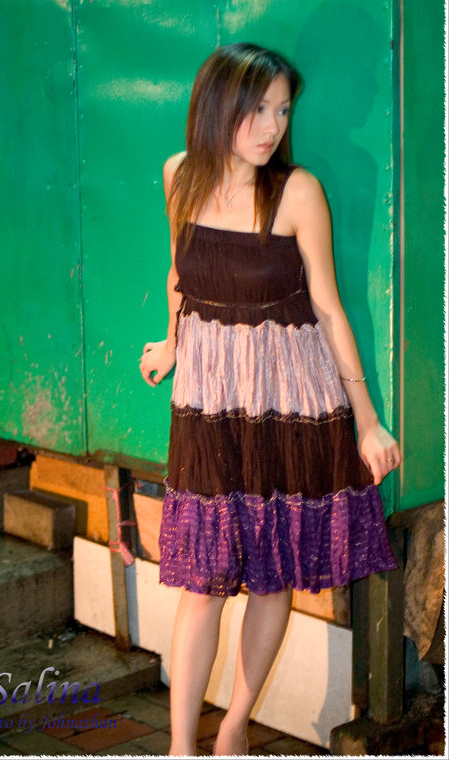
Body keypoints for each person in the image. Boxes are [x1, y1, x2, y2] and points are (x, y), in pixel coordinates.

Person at [138, 42, 401, 757]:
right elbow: (179, 273)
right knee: (202, 581)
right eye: (256, 109)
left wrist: (367, 422)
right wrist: (171, 342)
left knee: (272, 572)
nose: (271, 127)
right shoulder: (178, 176)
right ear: (217, 106)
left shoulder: (296, 192)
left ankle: (232, 728)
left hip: (289, 401)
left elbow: (328, 308)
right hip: (209, 403)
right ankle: (180, 748)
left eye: (282, 111)